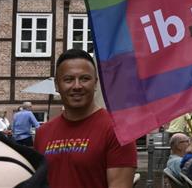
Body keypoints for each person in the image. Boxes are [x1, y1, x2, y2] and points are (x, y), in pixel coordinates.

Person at [34, 48, 137, 187]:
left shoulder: (118, 131)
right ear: (57, 85)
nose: (77, 86)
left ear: (95, 83)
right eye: (68, 79)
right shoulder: (42, 133)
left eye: (85, 79)